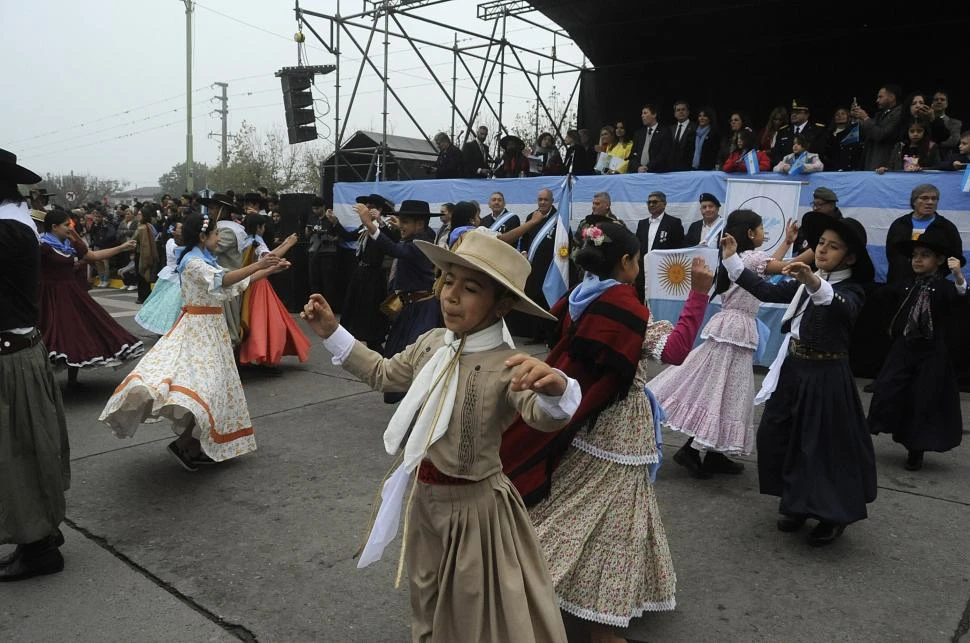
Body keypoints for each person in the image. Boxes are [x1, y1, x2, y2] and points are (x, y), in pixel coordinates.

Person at [302, 230, 580, 643]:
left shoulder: (509, 364)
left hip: (476, 511)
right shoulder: (433, 344)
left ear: (501, 305)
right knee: (426, 597)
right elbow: (383, 373)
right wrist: (333, 332)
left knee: (472, 610)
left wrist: (558, 389)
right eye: (448, 281)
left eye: (470, 288)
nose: (451, 296)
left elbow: (540, 415)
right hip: (423, 499)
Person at [501, 224, 711, 640]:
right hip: (618, 424)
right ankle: (601, 621)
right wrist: (699, 293)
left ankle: (522, 575)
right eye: (636, 259)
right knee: (614, 518)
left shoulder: (581, 296)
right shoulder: (623, 307)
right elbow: (675, 351)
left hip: (585, 418)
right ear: (627, 262)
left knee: (571, 498)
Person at [720, 212, 878, 545]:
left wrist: (813, 282)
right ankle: (796, 502)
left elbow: (839, 308)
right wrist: (732, 259)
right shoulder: (809, 280)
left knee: (821, 446)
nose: (822, 250)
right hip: (794, 370)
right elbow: (764, 290)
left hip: (826, 376)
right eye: (821, 243)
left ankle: (831, 514)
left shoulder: (850, 290)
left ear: (849, 257)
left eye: (833, 247)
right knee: (777, 433)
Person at [100, 214, 290, 471]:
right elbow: (223, 280)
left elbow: (232, 282)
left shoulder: (204, 260)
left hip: (211, 330)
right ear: (202, 237)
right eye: (214, 234)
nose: (217, 238)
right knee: (206, 387)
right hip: (197, 330)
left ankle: (190, 443)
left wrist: (269, 269)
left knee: (214, 387)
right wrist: (259, 266)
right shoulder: (192, 262)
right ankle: (186, 443)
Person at [651, 211, 796, 478]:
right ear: (751, 234)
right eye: (762, 228)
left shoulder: (740, 258)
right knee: (724, 389)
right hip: (736, 329)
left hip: (731, 326)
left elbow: (771, 263)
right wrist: (822, 256)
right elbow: (785, 266)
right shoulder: (751, 258)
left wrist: (787, 242)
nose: (765, 233)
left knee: (725, 389)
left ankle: (712, 453)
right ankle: (694, 450)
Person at [0, 149, 70, 582]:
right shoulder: (17, 224)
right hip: (17, 351)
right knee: (25, 450)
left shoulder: (7, 230)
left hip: (11, 357)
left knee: (19, 455)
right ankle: (39, 536)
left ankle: (39, 547)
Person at [868, 229, 966, 471]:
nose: (918, 260)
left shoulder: (944, 288)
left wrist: (959, 277)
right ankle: (871, 428)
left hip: (931, 352)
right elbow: (882, 296)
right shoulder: (907, 284)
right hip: (904, 348)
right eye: (914, 255)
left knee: (923, 400)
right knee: (887, 387)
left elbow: (960, 299)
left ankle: (916, 449)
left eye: (925, 255)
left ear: (940, 260)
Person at [38, 210, 142, 388]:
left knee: (77, 332)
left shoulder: (70, 243)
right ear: (54, 227)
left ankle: (72, 379)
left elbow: (93, 256)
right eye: (66, 225)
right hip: (49, 296)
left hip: (71, 294)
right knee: (49, 334)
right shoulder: (43, 246)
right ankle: (42, 382)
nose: (70, 229)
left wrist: (122, 247)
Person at [359, 199, 440, 402]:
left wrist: (370, 224)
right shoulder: (413, 240)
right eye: (400, 221)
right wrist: (387, 226)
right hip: (409, 308)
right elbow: (397, 244)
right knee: (398, 355)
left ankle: (420, 401)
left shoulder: (422, 244)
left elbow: (396, 250)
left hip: (422, 310)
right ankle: (409, 399)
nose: (401, 226)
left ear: (420, 224)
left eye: (405, 222)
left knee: (415, 355)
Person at [238, 216, 310, 368]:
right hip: (258, 285)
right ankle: (264, 356)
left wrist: (285, 243)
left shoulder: (245, 239)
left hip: (249, 283)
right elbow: (269, 258)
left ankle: (253, 355)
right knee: (266, 323)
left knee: (254, 322)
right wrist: (288, 244)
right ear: (259, 227)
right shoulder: (255, 240)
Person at [341, 193, 399, 351]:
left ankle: (374, 342)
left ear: (379, 209)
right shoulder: (364, 228)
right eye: (366, 206)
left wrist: (380, 221)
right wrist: (335, 222)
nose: (367, 209)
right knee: (355, 306)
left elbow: (394, 241)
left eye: (371, 207)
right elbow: (348, 236)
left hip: (374, 275)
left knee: (371, 309)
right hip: (361, 271)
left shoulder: (383, 226)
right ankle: (354, 337)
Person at [884, 184, 963, 285]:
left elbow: (955, 256)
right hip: (899, 283)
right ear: (914, 201)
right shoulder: (899, 224)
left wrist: (936, 275)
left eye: (934, 199)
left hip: (933, 284)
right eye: (924, 198)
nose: (930, 202)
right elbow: (891, 253)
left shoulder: (946, 227)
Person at [205, 193, 247, 347]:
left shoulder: (228, 230)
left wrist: (197, 237)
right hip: (219, 281)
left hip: (229, 282)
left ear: (223, 210)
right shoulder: (220, 228)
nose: (209, 212)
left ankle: (232, 359)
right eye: (208, 208)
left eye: (213, 208)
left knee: (229, 326)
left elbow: (214, 247)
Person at [634, 191, 686, 300]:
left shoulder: (674, 223)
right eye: (649, 202)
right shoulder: (642, 223)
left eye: (654, 202)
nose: (651, 205)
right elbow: (637, 247)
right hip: (643, 271)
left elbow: (679, 250)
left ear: (664, 203)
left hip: (663, 271)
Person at [134, 222, 184, 335]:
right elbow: (177, 254)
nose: (183, 230)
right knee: (166, 305)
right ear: (174, 231)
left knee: (175, 306)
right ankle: (163, 329)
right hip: (172, 277)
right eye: (180, 228)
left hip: (181, 277)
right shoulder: (171, 242)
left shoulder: (184, 243)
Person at [853, 84, 904, 170]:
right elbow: (869, 133)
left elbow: (881, 134)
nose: (877, 100)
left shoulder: (899, 113)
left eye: (880, 97)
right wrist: (859, 120)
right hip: (871, 161)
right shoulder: (879, 114)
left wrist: (865, 118)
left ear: (891, 97)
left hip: (885, 164)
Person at [770, 99, 829, 167]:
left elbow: (820, 153)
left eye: (798, 112)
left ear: (807, 115)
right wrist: (784, 166)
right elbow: (776, 153)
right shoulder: (783, 131)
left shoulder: (818, 131)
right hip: (785, 172)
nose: (793, 115)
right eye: (792, 112)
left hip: (809, 172)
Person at [305, 197, 341, 303]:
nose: (315, 211)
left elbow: (339, 235)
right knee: (314, 280)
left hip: (328, 253)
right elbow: (306, 234)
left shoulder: (331, 218)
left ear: (323, 207)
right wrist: (311, 231)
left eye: (317, 208)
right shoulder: (311, 218)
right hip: (313, 251)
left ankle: (329, 306)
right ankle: (315, 305)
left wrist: (329, 237)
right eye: (313, 209)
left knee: (328, 281)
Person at [876, 121, 940, 173]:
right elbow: (891, 166)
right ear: (907, 132)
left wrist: (922, 169)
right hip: (902, 181)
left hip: (923, 181)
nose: (915, 134)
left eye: (919, 131)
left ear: (924, 132)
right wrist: (885, 169)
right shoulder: (899, 146)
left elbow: (937, 167)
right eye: (912, 131)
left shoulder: (932, 146)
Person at [630, 104, 672, 173]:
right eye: (642, 113)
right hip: (639, 173)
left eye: (645, 113)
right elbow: (633, 155)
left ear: (654, 115)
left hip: (657, 173)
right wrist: (638, 167)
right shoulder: (638, 133)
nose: (642, 115)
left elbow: (664, 154)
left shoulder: (665, 131)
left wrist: (648, 167)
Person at [132, 208, 158, 304]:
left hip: (142, 254)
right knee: (144, 276)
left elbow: (143, 244)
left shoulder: (143, 228)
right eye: (138, 214)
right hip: (143, 253)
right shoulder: (147, 226)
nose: (138, 216)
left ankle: (142, 296)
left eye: (140, 214)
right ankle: (144, 295)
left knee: (142, 275)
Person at [828, 106, 863, 172]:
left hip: (849, 170)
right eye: (837, 114)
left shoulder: (853, 133)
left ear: (848, 117)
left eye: (843, 114)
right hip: (832, 169)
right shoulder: (828, 134)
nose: (840, 116)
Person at [931, 90, 963, 155]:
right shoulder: (925, 121)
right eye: (936, 100)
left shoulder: (955, 123)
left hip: (944, 157)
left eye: (942, 100)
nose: (939, 101)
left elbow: (953, 141)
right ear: (932, 103)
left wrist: (933, 145)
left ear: (946, 104)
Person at [670, 100, 697, 171]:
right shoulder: (670, 129)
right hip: (672, 168)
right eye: (678, 110)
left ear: (688, 112)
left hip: (689, 168)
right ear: (675, 114)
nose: (681, 112)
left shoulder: (695, 128)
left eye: (683, 109)